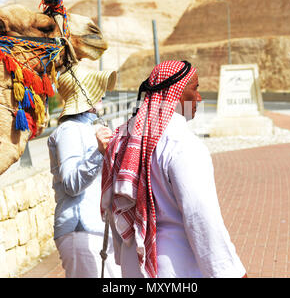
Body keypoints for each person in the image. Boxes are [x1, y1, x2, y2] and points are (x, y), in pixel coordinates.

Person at [100, 60, 247, 278]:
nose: (199, 98)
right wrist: (230, 274)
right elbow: (201, 218)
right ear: (175, 93)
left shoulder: (124, 140)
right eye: (195, 88)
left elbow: (118, 209)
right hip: (174, 268)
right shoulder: (182, 145)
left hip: (134, 264)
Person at [47, 63, 121, 278]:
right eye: (97, 88)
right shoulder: (69, 130)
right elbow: (71, 184)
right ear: (85, 95)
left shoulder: (88, 129)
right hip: (80, 229)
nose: (103, 94)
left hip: (95, 228)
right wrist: (99, 152)